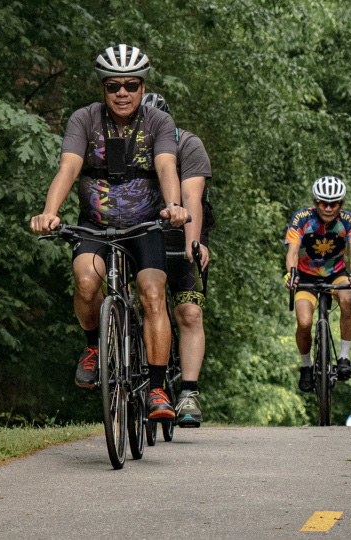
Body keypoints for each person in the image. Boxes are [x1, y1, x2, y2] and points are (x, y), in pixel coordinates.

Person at [30, 44, 188, 421]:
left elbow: (167, 167)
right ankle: (92, 346)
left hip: (146, 224)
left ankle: (157, 388)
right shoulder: (84, 120)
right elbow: (68, 168)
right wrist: (49, 213)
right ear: (103, 88)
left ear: (141, 86)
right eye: (113, 85)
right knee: (86, 282)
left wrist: (174, 205)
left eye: (131, 86)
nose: (122, 93)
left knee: (152, 291)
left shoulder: (158, 123)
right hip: (95, 224)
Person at [141, 93, 212, 428]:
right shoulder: (126, 145)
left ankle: (188, 392)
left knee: (189, 310)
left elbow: (191, 196)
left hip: (181, 231)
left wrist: (193, 243)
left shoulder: (188, 145)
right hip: (137, 231)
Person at [284, 176, 351, 392]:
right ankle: (306, 366)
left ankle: (344, 358)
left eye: (334, 203)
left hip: (335, 274)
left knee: (348, 298)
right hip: (306, 276)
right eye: (323, 203)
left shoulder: (349, 221)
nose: (328, 208)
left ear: (341, 204)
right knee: (304, 323)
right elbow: (292, 251)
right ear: (316, 202)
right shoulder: (302, 218)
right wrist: (291, 273)